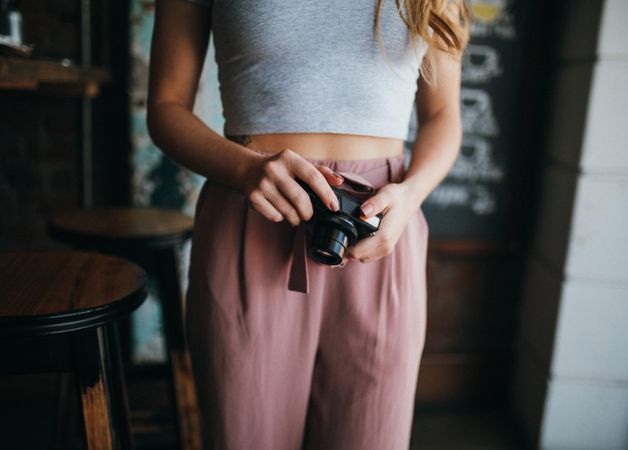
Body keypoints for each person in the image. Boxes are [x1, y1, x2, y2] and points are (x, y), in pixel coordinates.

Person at [147, 0, 469, 448]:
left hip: (381, 228)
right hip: (254, 210)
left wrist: (412, 194)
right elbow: (165, 107)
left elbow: (444, 117)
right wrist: (245, 171)